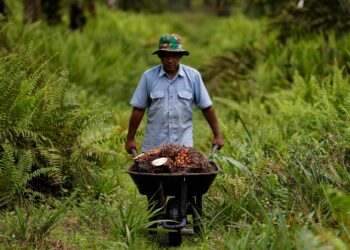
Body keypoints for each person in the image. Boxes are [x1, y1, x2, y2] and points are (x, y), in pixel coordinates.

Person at [125, 33, 224, 155]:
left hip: (183, 148)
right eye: (166, 55)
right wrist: (130, 138)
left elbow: (207, 108)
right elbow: (138, 110)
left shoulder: (193, 77)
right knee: (153, 173)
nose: (170, 60)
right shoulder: (148, 77)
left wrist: (217, 135)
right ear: (160, 56)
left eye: (174, 55)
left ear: (180, 56)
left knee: (182, 173)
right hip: (154, 147)